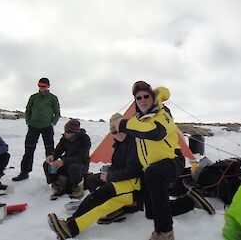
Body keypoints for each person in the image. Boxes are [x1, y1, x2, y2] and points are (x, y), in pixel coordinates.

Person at [110, 81, 190, 240]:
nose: (143, 100)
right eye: (138, 98)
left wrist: (124, 124)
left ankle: (166, 233)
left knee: (153, 173)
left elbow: (156, 132)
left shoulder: (163, 113)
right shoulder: (136, 121)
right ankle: (189, 202)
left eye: (146, 96)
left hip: (173, 160)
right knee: (152, 212)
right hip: (151, 168)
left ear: (153, 97)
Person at [47, 113, 142, 240]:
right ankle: (113, 211)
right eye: (113, 131)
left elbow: (133, 170)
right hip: (122, 181)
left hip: (133, 188)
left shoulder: (134, 142)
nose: (117, 133)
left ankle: (71, 228)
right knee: (90, 181)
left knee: (101, 198)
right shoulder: (120, 143)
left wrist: (110, 177)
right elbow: (119, 166)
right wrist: (108, 174)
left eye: (121, 129)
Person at [12, 78, 60, 181]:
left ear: (48, 86)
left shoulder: (53, 98)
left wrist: (52, 123)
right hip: (33, 126)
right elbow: (28, 110)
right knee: (29, 150)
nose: (41, 88)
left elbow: (57, 113)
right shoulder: (33, 97)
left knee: (50, 151)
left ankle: (52, 175)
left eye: (43, 86)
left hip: (47, 127)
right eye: (39, 86)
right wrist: (28, 121)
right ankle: (24, 173)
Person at [43, 119, 91, 200]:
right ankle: (57, 185)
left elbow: (81, 157)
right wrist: (52, 156)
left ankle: (77, 188)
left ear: (73, 133)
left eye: (67, 131)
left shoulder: (84, 139)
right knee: (47, 164)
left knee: (73, 167)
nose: (64, 133)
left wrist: (63, 161)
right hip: (66, 162)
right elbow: (58, 150)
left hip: (81, 164)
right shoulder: (64, 138)